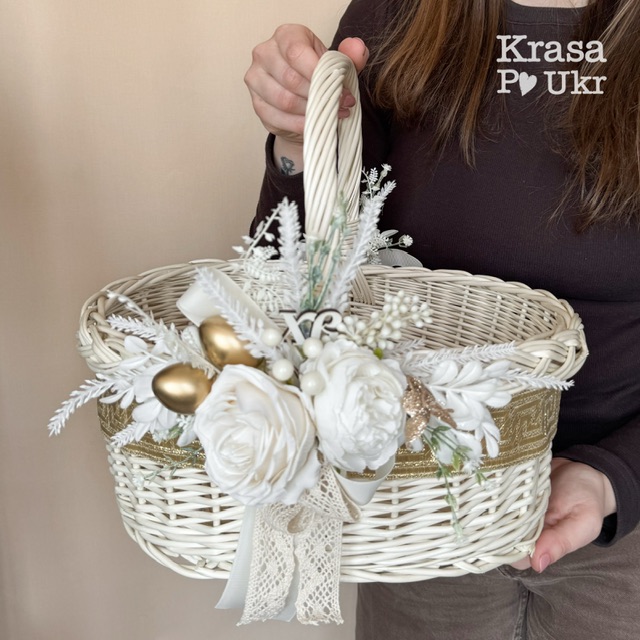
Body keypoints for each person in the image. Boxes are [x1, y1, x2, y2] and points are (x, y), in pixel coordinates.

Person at [245, 0, 640, 637]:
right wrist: (297, 142)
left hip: (624, 537)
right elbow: (288, 288)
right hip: (421, 501)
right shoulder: (397, 13)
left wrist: (616, 474)